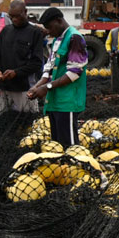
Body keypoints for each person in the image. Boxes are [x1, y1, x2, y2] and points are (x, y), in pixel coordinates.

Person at [0, 0, 46, 151]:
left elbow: (36, 63)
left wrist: (16, 73)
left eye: (17, 16)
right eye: (12, 16)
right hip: (3, 87)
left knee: (28, 125)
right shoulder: (6, 31)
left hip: (24, 89)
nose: (14, 20)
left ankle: (28, 152)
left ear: (25, 12)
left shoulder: (35, 33)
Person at [27, 8, 88, 148]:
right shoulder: (57, 40)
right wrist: (38, 86)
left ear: (59, 21)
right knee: (57, 145)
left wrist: (46, 87)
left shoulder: (75, 38)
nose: (48, 31)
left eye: (49, 27)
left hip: (68, 101)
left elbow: (74, 73)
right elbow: (49, 67)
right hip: (55, 101)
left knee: (70, 147)